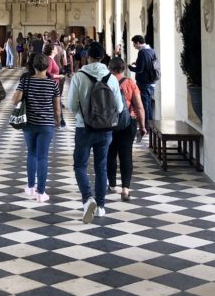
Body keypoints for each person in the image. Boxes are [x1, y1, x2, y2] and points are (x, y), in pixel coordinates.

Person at [66, 41, 124, 223]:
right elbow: (119, 107)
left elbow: (71, 105)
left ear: (88, 56)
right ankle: (100, 207)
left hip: (84, 128)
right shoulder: (111, 78)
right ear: (103, 57)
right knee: (101, 166)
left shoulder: (79, 76)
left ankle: (87, 198)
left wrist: (84, 114)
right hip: (105, 129)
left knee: (80, 166)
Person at [14, 53, 60, 202]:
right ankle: (41, 193)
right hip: (46, 125)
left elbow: (15, 100)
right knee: (43, 157)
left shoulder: (26, 81)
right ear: (47, 66)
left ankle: (30, 187)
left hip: (29, 124)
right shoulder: (52, 84)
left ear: (33, 66)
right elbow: (57, 109)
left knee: (31, 154)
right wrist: (58, 121)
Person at [107, 57, 146, 201]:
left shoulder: (105, 82)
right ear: (123, 68)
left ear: (109, 68)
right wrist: (142, 126)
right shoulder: (130, 83)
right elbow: (139, 107)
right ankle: (125, 189)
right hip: (128, 122)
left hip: (109, 123)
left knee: (110, 154)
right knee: (126, 155)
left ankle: (112, 185)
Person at [132, 34, 159, 134]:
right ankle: (150, 125)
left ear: (138, 42)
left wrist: (130, 68)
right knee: (148, 103)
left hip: (144, 82)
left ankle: (147, 126)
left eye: (134, 44)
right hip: (151, 81)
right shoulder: (151, 50)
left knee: (145, 105)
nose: (134, 46)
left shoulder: (142, 52)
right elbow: (148, 64)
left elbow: (140, 69)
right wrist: (137, 64)